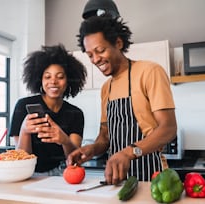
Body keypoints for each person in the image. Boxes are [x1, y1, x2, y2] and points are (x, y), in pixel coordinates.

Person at [67, 16, 177, 184]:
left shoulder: (149, 72)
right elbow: (105, 138)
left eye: (100, 50)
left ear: (118, 43)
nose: (95, 59)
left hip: (152, 176)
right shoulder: (106, 88)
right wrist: (91, 149)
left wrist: (128, 153)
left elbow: (168, 128)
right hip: (117, 178)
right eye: (90, 55)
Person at [9, 44, 87, 175]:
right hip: (27, 173)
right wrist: (25, 131)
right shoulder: (23, 106)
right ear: (40, 79)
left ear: (68, 80)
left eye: (60, 77)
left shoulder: (75, 113)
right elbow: (22, 157)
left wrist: (64, 140)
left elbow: (74, 159)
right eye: (47, 76)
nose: (53, 81)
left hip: (60, 173)